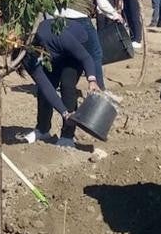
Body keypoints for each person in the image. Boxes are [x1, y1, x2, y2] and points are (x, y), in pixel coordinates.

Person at [24, 16, 106, 147]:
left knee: (67, 85)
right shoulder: (25, 56)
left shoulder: (55, 35)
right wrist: (64, 112)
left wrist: (92, 79)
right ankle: (42, 129)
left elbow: (86, 57)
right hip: (53, 54)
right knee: (43, 91)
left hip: (76, 46)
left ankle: (67, 136)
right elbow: (46, 86)